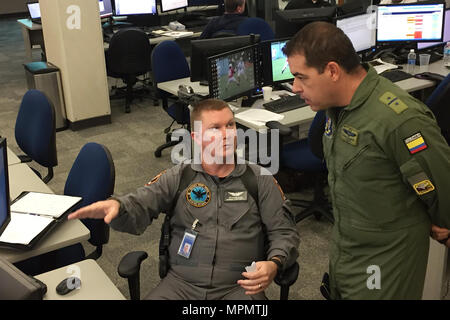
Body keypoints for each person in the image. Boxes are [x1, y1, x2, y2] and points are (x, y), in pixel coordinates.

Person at [68, 98, 300, 300]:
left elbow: (284, 232)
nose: (227, 134)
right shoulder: (180, 176)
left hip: (239, 287)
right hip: (181, 285)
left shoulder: (259, 179)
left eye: (230, 125)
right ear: (196, 137)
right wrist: (118, 206)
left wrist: (275, 263)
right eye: (215, 128)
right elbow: (141, 202)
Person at [283, 21, 450, 299]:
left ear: (333, 71)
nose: (295, 87)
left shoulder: (398, 120)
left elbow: (442, 187)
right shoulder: (336, 108)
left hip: (386, 260)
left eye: (302, 77)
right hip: (348, 248)